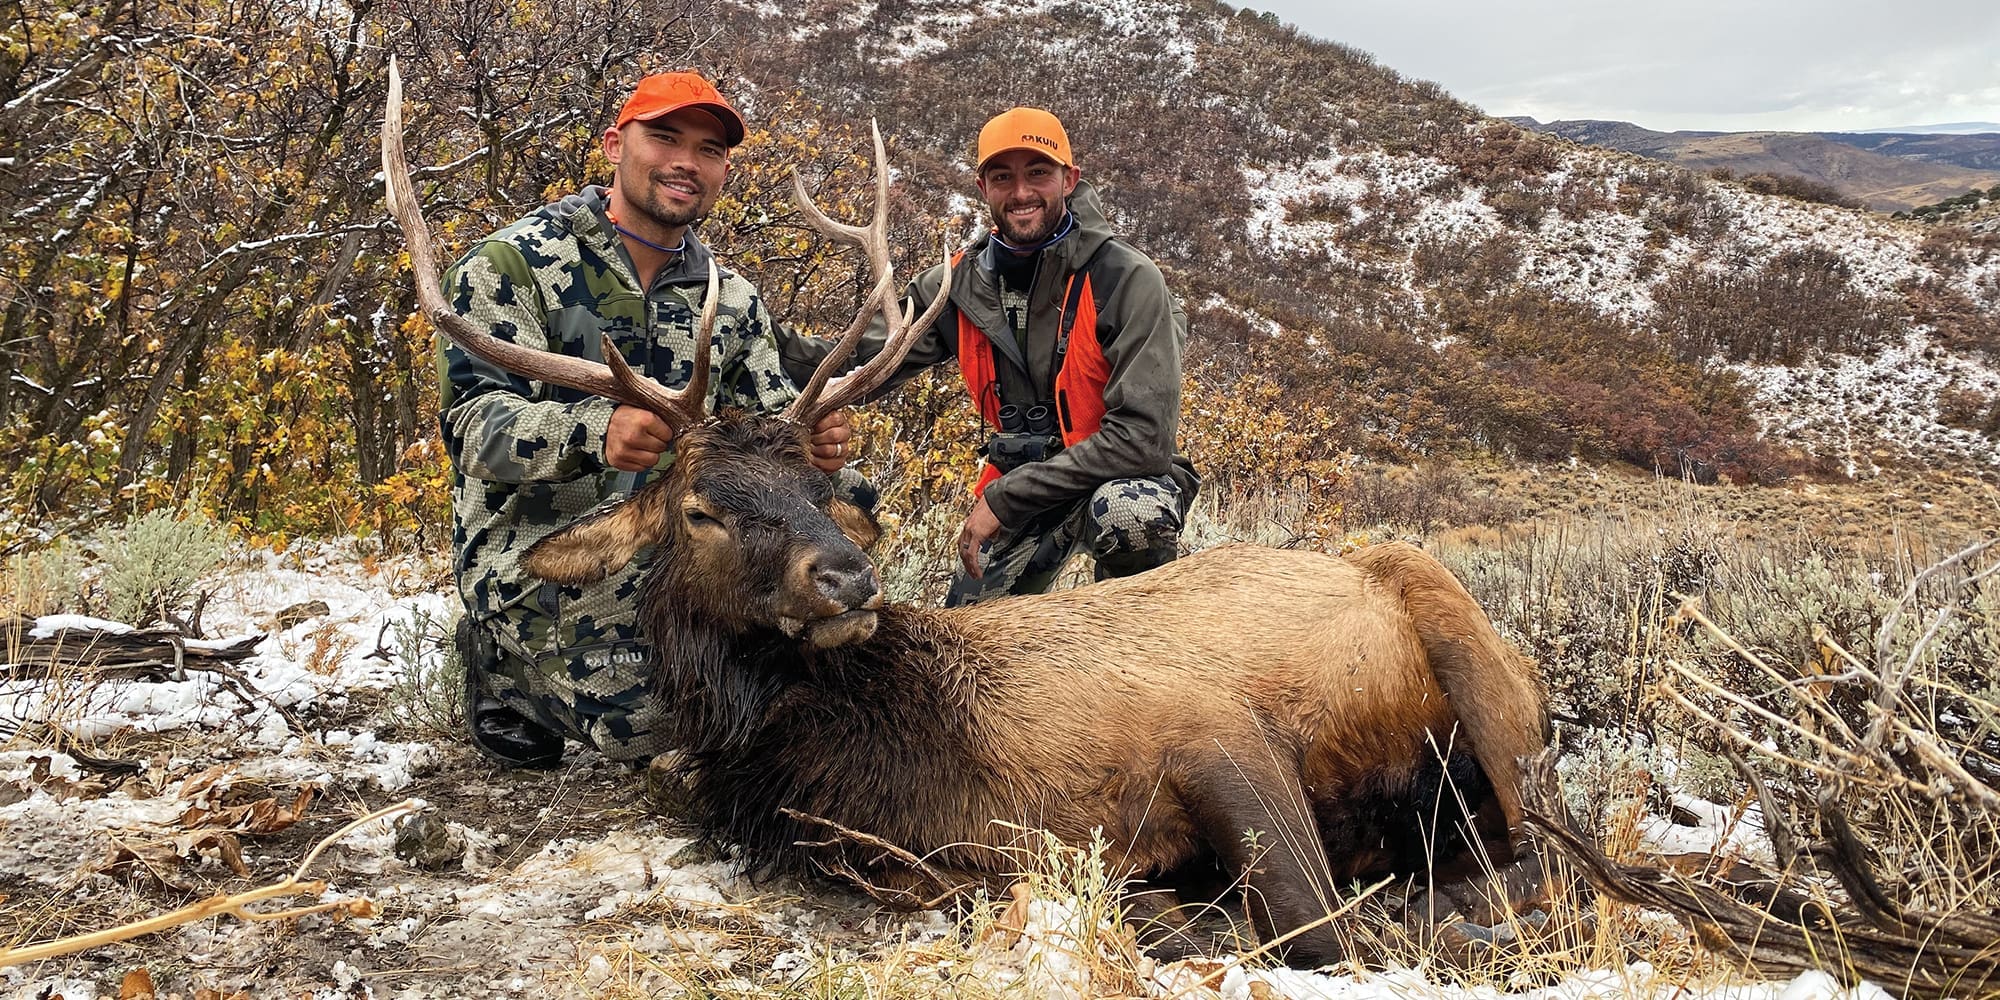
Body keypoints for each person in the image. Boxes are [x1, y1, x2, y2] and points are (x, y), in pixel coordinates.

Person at [440, 71, 860, 769]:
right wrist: (592, 432)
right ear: (615, 145)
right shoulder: (512, 265)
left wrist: (809, 446)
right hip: (550, 553)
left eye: (708, 150)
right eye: (665, 138)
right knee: (664, 723)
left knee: (835, 671)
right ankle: (501, 664)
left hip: (698, 551)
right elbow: (472, 427)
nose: (685, 162)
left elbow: (762, 431)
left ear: (723, 171)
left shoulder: (732, 298)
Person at [784, 107, 1197, 606]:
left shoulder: (1126, 279)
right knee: (965, 636)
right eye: (1003, 177)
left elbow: (1143, 442)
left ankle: (1139, 635)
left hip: (1109, 477)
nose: (1021, 193)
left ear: (1069, 180)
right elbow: (859, 363)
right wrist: (750, 327)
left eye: (1038, 173)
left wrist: (1004, 498)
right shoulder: (958, 285)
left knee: (1132, 516)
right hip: (1023, 483)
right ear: (983, 187)